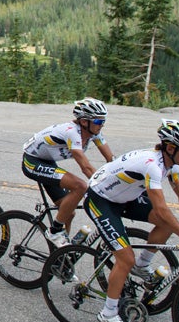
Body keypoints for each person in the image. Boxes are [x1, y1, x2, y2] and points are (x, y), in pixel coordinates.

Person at [85, 119, 179, 322]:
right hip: (101, 199)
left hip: (125, 197)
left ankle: (142, 266)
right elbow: (162, 208)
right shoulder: (153, 165)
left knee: (165, 223)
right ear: (171, 148)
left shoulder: (172, 165)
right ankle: (108, 313)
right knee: (125, 257)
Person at [22, 97, 114, 246]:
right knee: (80, 186)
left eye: (103, 121)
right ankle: (55, 231)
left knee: (68, 212)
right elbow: (86, 167)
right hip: (32, 161)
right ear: (84, 121)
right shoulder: (71, 133)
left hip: (48, 161)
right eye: (98, 121)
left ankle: (61, 251)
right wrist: (104, 189)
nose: (101, 125)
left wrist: (119, 181)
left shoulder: (94, 133)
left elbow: (111, 160)